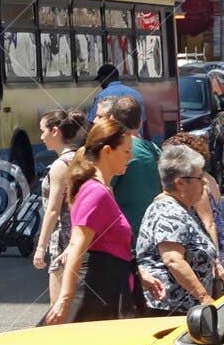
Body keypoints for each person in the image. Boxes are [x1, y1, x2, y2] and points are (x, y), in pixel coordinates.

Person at [47, 119, 148, 324]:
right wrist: (64, 300)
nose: (131, 157)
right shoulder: (96, 192)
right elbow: (77, 246)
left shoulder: (103, 189)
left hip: (109, 292)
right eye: (127, 152)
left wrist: (139, 274)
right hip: (98, 297)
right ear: (107, 151)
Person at [134, 145, 219, 316]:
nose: (204, 182)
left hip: (183, 307)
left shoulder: (182, 208)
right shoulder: (168, 212)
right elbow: (173, 260)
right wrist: (204, 298)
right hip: (170, 310)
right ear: (180, 183)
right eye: (199, 177)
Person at [162, 132, 224, 294]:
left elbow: (209, 223)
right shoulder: (208, 178)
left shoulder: (199, 185)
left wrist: (215, 261)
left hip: (212, 256)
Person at [33, 110, 86, 306]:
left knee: (58, 305)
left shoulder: (60, 165)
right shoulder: (81, 158)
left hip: (64, 237)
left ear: (55, 131)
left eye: (43, 131)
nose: (41, 137)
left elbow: (53, 209)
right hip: (80, 234)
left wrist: (40, 247)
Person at [105, 96, 160, 236]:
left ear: (113, 121)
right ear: (140, 122)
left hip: (126, 231)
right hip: (153, 228)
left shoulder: (116, 152)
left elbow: (106, 190)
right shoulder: (154, 149)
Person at [89, 64, 146, 131]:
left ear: (104, 78)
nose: (100, 83)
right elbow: (144, 122)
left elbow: (93, 122)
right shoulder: (137, 94)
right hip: (137, 138)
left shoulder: (102, 96)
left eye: (100, 80)